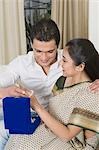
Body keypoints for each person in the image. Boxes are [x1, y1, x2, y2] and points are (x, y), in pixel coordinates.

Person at [0, 19, 99, 149]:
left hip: (56, 123)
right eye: (38, 51)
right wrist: (5, 92)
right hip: (31, 115)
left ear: (57, 46)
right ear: (31, 45)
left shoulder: (70, 59)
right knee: (9, 135)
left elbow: (90, 63)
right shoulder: (21, 63)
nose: (44, 58)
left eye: (50, 52)